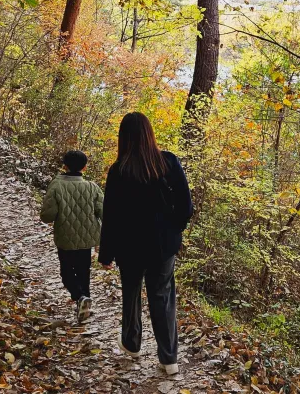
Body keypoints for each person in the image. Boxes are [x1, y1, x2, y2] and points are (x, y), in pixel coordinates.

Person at [98, 112, 194, 376]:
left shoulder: (119, 170)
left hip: (129, 247)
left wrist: (106, 252)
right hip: (162, 246)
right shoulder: (169, 162)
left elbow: (112, 215)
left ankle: (132, 344)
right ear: (150, 133)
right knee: (162, 297)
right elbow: (186, 207)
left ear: (124, 137)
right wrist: (173, 232)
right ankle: (169, 359)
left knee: (131, 293)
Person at [40, 149, 104, 325]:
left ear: (65, 165)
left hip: (66, 237)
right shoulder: (92, 187)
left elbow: (47, 216)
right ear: (84, 167)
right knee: (84, 271)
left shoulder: (57, 185)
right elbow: (104, 212)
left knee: (67, 273)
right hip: (87, 238)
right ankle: (85, 303)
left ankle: (80, 297)